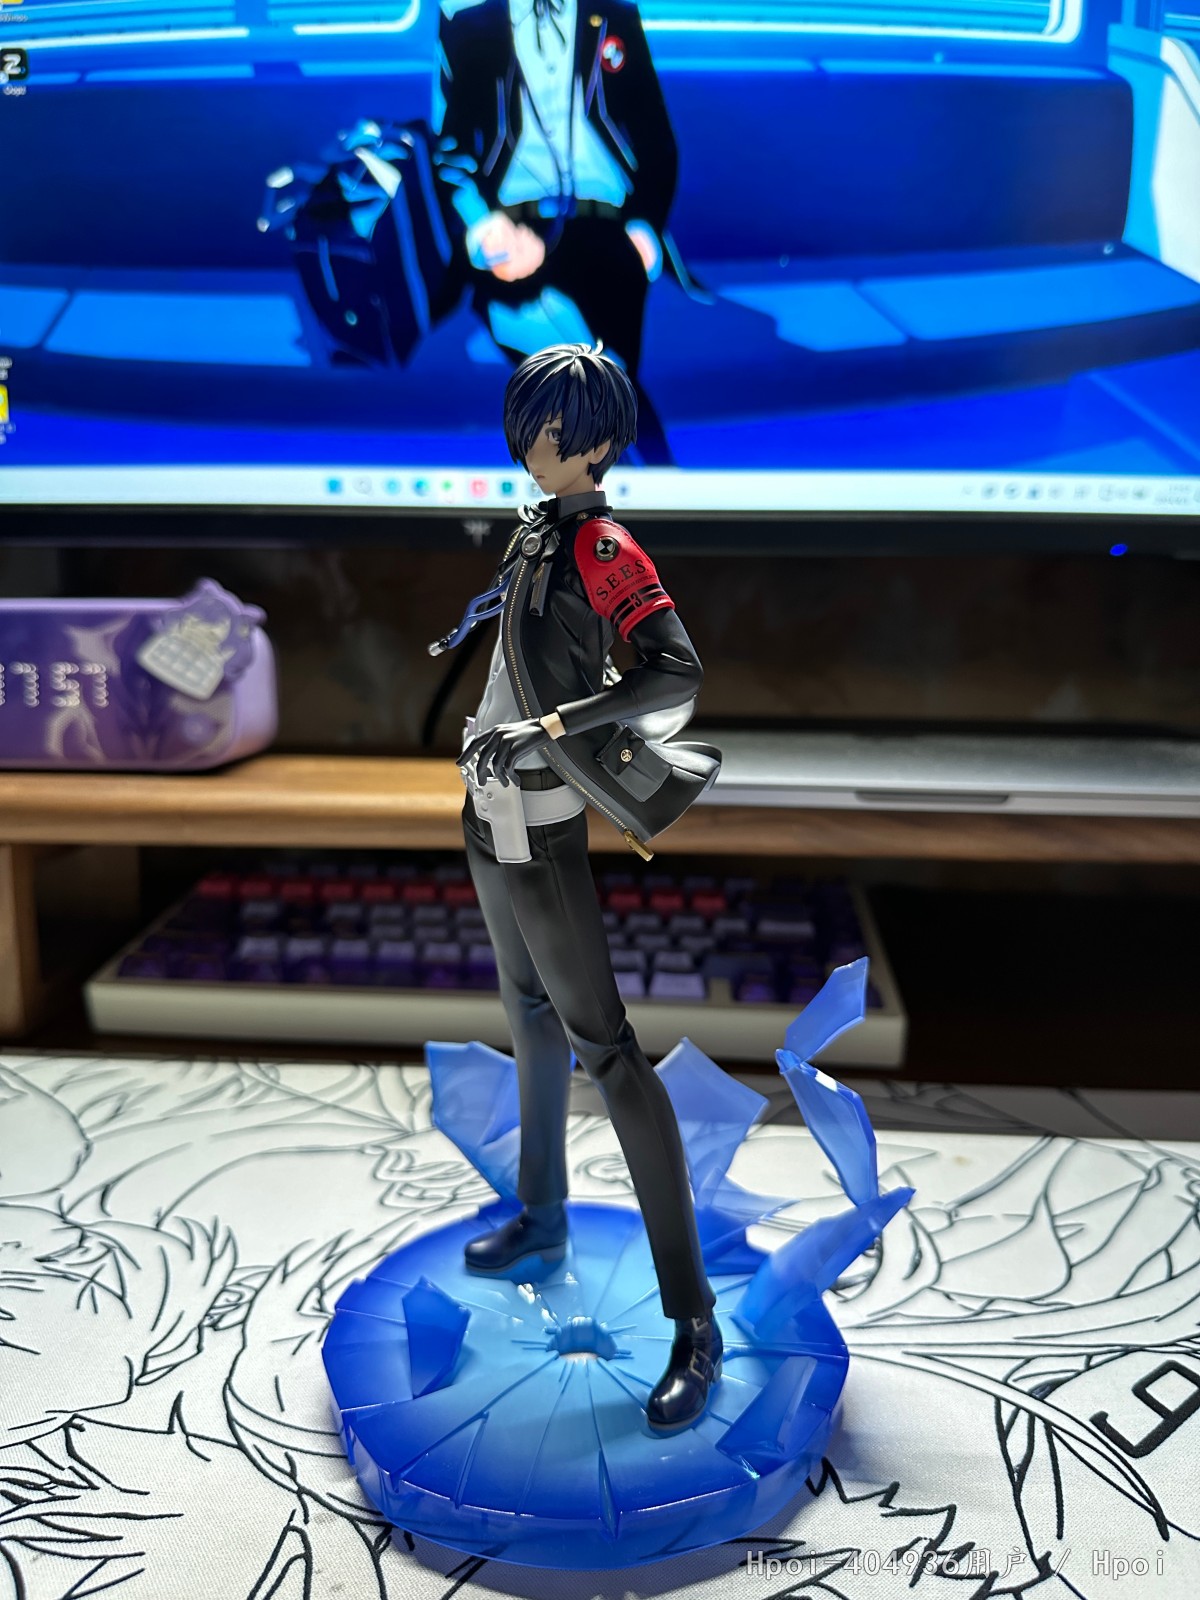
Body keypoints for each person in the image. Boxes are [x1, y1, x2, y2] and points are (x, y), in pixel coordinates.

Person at [444, 343, 721, 1431]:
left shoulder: (603, 542)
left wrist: (551, 726)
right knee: (525, 1013)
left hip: (543, 817)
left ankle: (693, 1319)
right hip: (486, 808)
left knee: (607, 1050)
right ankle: (543, 1213)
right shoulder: (538, 530)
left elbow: (674, 668)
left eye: (555, 434)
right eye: (530, 428)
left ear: (599, 442)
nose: (536, 448)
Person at [433, 0, 678, 463]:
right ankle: (653, 475)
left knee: (602, 377)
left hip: (609, 231)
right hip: (513, 232)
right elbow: (450, 157)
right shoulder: (471, 27)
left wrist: (646, 223)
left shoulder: (614, 16)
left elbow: (656, 136)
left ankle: (637, 476)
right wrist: (484, 226)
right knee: (593, 378)